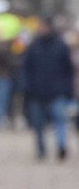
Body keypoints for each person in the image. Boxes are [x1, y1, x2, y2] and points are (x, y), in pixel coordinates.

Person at [19, 17, 74, 160]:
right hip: (36, 92)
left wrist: (67, 88)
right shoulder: (34, 46)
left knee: (60, 120)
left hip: (57, 91)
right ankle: (41, 149)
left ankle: (61, 146)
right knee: (38, 124)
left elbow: (68, 69)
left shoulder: (61, 45)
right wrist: (26, 86)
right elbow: (26, 68)